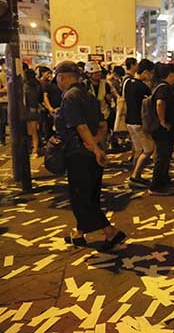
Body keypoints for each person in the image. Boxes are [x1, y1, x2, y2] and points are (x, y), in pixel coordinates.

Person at [54, 61, 126, 250]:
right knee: (89, 194)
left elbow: (80, 126)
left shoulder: (70, 96)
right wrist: (95, 144)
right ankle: (79, 233)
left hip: (79, 153)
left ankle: (111, 232)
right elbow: (103, 126)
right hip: (91, 151)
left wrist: (93, 147)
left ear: (62, 77)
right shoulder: (89, 96)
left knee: (81, 197)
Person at [150, 63, 174, 196]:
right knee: (162, 157)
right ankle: (156, 185)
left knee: (166, 156)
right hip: (162, 130)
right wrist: (163, 121)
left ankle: (164, 180)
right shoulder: (164, 88)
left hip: (164, 129)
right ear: (170, 74)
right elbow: (160, 103)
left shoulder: (161, 86)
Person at [124, 59, 155, 188]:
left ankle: (135, 175)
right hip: (139, 121)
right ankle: (135, 176)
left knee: (138, 150)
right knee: (148, 150)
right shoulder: (141, 86)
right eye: (151, 73)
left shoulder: (127, 83)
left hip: (129, 120)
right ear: (146, 72)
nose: (151, 76)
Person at [23, 68, 43, 156]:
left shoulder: (25, 86)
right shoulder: (37, 85)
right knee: (34, 131)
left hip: (27, 110)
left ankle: (33, 149)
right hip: (34, 109)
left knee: (29, 131)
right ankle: (35, 149)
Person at [0, 59, 7, 145]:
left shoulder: (12, 75)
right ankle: (2, 139)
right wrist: (7, 89)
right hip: (2, 101)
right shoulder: (0, 75)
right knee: (3, 121)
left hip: (11, 101)